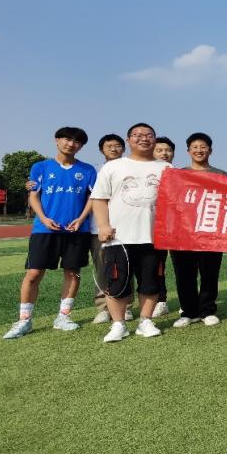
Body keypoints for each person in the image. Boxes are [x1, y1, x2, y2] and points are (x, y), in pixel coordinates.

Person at [3, 127, 96, 339]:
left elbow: (92, 197)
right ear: (57, 140)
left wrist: (81, 219)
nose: (71, 144)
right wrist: (44, 219)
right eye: (66, 139)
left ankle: (63, 317)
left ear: (81, 146)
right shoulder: (40, 167)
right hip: (44, 229)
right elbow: (33, 196)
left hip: (76, 230)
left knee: (72, 273)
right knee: (34, 274)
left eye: (77, 141)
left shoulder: (88, 170)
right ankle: (24, 320)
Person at [91, 122, 171, 343]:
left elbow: (176, 201)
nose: (143, 138)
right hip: (119, 237)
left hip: (154, 237)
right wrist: (103, 225)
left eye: (149, 135)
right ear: (129, 140)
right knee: (116, 283)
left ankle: (145, 321)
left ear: (154, 139)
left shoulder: (166, 168)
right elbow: (99, 198)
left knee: (151, 282)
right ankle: (119, 324)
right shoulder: (113, 167)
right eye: (137, 135)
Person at [170, 133, 225, 329]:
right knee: (184, 274)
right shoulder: (177, 174)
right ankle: (188, 312)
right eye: (195, 147)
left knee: (209, 273)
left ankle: (207, 310)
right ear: (188, 151)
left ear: (210, 150)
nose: (199, 150)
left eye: (203, 147)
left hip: (210, 232)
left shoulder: (220, 174)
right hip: (183, 233)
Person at [90, 133, 131, 324]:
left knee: (126, 268)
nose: (114, 149)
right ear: (101, 150)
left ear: (124, 148)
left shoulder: (130, 168)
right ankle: (102, 307)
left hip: (125, 228)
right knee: (101, 269)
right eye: (109, 146)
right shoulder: (94, 171)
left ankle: (126, 306)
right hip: (98, 229)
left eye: (117, 146)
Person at [150, 137, 176, 317]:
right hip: (146, 225)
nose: (164, 153)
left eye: (168, 150)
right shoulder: (144, 172)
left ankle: (161, 301)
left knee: (160, 265)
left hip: (170, 228)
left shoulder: (177, 173)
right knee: (147, 265)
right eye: (159, 150)